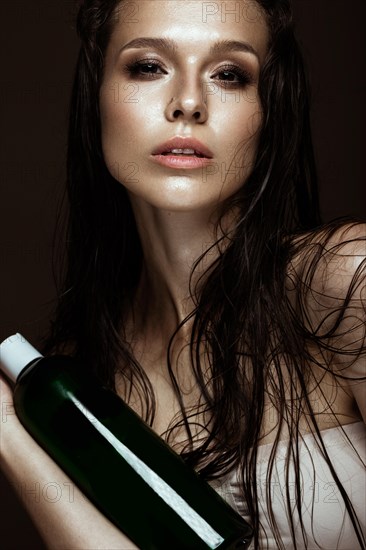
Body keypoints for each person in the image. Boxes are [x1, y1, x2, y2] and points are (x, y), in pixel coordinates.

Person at [1, 0, 365, 548]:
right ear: (97, 95)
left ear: (269, 110)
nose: (189, 103)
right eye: (148, 67)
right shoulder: (78, 383)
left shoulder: (344, 281)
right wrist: (8, 430)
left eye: (229, 75)